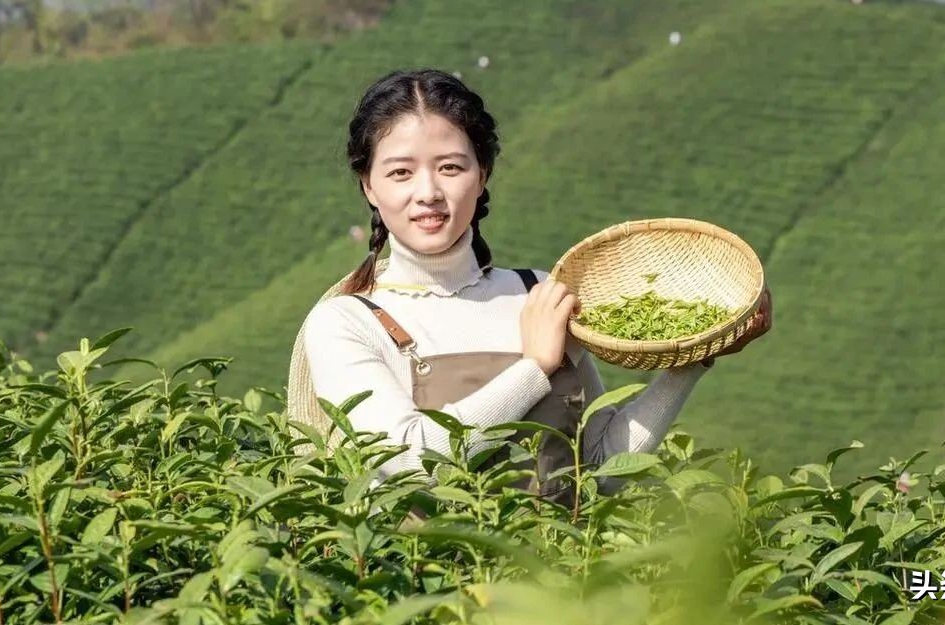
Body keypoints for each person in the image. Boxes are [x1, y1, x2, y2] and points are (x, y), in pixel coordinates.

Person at [287, 69, 772, 506]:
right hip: (425, 573)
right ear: (369, 186)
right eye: (400, 172)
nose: (428, 192)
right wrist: (535, 367)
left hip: (556, 573)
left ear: (483, 175)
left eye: (451, 167)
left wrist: (689, 362)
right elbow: (412, 463)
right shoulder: (347, 321)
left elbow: (599, 468)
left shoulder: (541, 293)